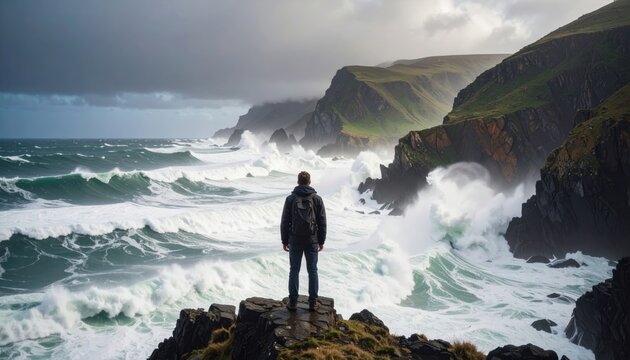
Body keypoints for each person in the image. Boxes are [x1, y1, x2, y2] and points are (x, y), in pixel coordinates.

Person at [281, 171, 326, 311]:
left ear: (298, 182)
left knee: (294, 270)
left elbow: (284, 221)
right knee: (312, 270)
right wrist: (321, 240)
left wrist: (284, 240)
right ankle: (313, 303)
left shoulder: (290, 199)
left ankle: (293, 302)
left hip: (294, 239)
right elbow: (322, 221)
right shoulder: (317, 199)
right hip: (312, 240)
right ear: (309, 182)